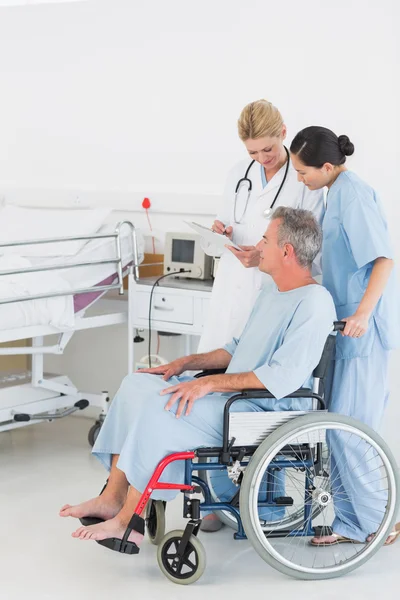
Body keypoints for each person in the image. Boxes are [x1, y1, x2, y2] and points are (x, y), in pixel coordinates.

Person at [60, 207, 336, 549]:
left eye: (265, 239)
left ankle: (128, 520)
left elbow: (282, 376)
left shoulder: (314, 302)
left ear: (286, 251)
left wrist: (208, 383)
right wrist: (184, 364)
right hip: (230, 402)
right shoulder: (271, 291)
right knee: (136, 386)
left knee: (161, 408)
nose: (259, 246)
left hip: (261, 412)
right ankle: (112, 497)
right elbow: (236, 349)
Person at [290, 126, 400, 546]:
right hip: (343, 325)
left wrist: (362, 313)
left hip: (361, 329)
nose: (301, 179)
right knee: (337, 425)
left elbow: (384, 260)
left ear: (328, 166)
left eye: (303, 173)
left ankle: (380, 521)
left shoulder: (352, 193)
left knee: (350, 427)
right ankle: (355, 523)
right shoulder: (332, 193)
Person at [197, 99, 325, 354]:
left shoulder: (303, 178)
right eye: (253, 153)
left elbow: (312, 248)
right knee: (209, 370)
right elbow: (216, 242)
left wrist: (265, 256)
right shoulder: (238, 173)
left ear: (283, 133)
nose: (262, 158)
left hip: (273, 291)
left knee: (252, 373)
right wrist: (220, 234)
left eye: (268, 149)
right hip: (230, 288)